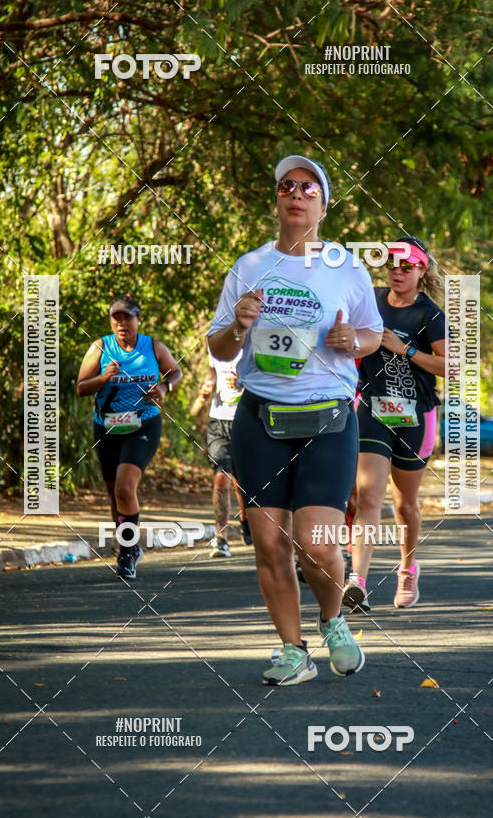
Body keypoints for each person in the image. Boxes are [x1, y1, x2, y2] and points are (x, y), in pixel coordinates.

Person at [208, 155, 383, 685]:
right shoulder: (249, 266)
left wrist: (354, 341)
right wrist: (238, 326)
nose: (297, 193)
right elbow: (218, 347)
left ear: (323, 205)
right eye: (287, 185)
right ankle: (292, 650)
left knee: (318, 540)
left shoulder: (347, 267)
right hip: (260, 416)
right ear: (277, 200)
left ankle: (332, 620)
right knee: (269, 541)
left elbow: (373, 334)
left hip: (328, 417)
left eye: (309, 187)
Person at [343, 237, 447, 612]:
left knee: (405, 505)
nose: (397, 271)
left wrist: (406, 350)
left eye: (407, 265)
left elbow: (451, 366)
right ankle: (358, 582)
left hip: (416, 414)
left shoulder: (429, 314)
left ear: (421, 270)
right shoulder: (369, 298)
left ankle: (407, 568)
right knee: (369, 496)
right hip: (372, 408)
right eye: (391, 263)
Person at [77, 296, 182, 579]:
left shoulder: (153, 346)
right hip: (107, 428)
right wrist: (102, 378)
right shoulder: (100, 347)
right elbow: (81, 388)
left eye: (127, 318)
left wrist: (164, 388)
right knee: (114, 496)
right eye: (116, 319)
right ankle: (130, 545)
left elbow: (175, 371)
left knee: (125, 488)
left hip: (143, 426)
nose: (121, 324)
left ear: (138, 319)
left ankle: (125, 554)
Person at [198, 348, 252, 558]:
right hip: (219, 419)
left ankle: (246, 519)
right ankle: (221, 539)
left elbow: (270, 380)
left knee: (245, 481)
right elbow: (212, 371)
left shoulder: (257, 337)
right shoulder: (217, 341)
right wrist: (208, 385)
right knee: (222, 478)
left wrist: (245, 381)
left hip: (248, 419)